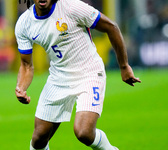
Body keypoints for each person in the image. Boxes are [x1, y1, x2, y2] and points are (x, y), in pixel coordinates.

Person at [15, 0, 141, 150]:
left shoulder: (72, 7)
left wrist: (124, 66)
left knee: (84, 132)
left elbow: (111, 26)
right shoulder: (24, 23)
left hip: (89, 73)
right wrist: (21, 87)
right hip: (58, 79)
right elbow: (26, 65)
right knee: (38, 140)